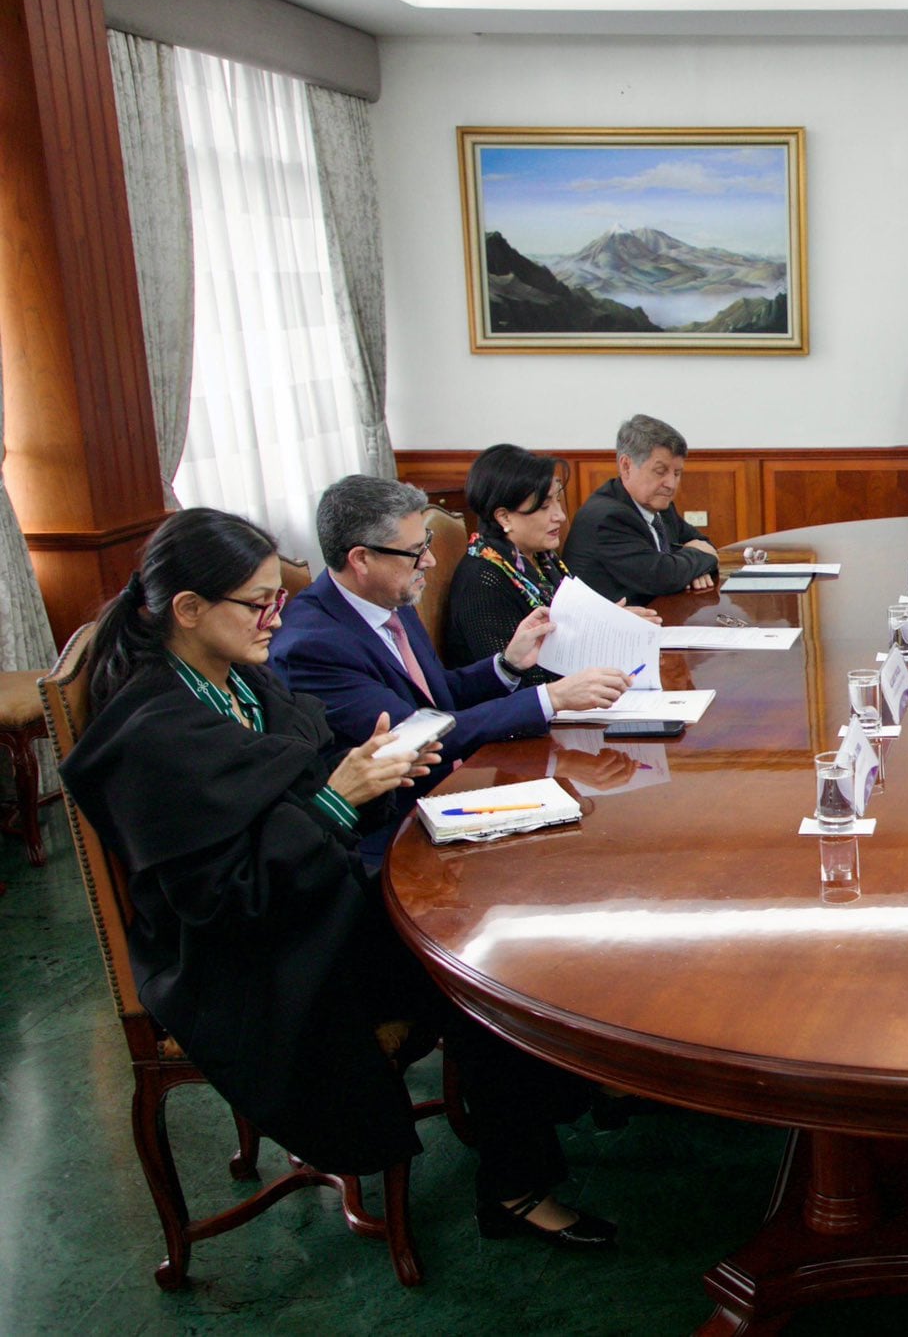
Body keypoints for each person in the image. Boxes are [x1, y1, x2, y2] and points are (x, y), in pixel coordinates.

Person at [60, 508, 617, 1248]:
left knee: (497, 922)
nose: (275, 619)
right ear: (188, 610)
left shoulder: (236, 678)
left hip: (310, 899)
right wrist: (337, 800)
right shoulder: (151, 732)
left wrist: (378, 774)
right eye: (258, 604)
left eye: (277, 599)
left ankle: (571, 1089)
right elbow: (222, 897)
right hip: (245, 959)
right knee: (483, 970)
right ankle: (516, 1186)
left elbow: (304, 774)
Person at [271, 475, 629, 870]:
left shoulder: (390, 598)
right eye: (415, 551)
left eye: (425, 543)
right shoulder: (313, 647)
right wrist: (551, 697)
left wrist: (507, 664)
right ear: (361, 559)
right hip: (393, 833)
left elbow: (435, 695)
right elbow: (420, 735)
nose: (429, 560)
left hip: (450, 793)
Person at [444, 443, 658, 672]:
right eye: (545, 506)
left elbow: (567, 628)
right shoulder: (483, 581)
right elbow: (515, 677)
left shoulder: (541, 557)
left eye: (557, 500)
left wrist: (610, 624)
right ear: (504, 517)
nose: (560, 516)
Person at [561, 414, 720, 604]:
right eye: (660, 471)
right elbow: (663, 577)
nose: (671, 484)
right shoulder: (607, 518)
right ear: (626, 466)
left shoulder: (660, 506)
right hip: (614, 620)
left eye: (677, 473)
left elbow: (703, 543)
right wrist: (694, 564)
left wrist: (690, 569)